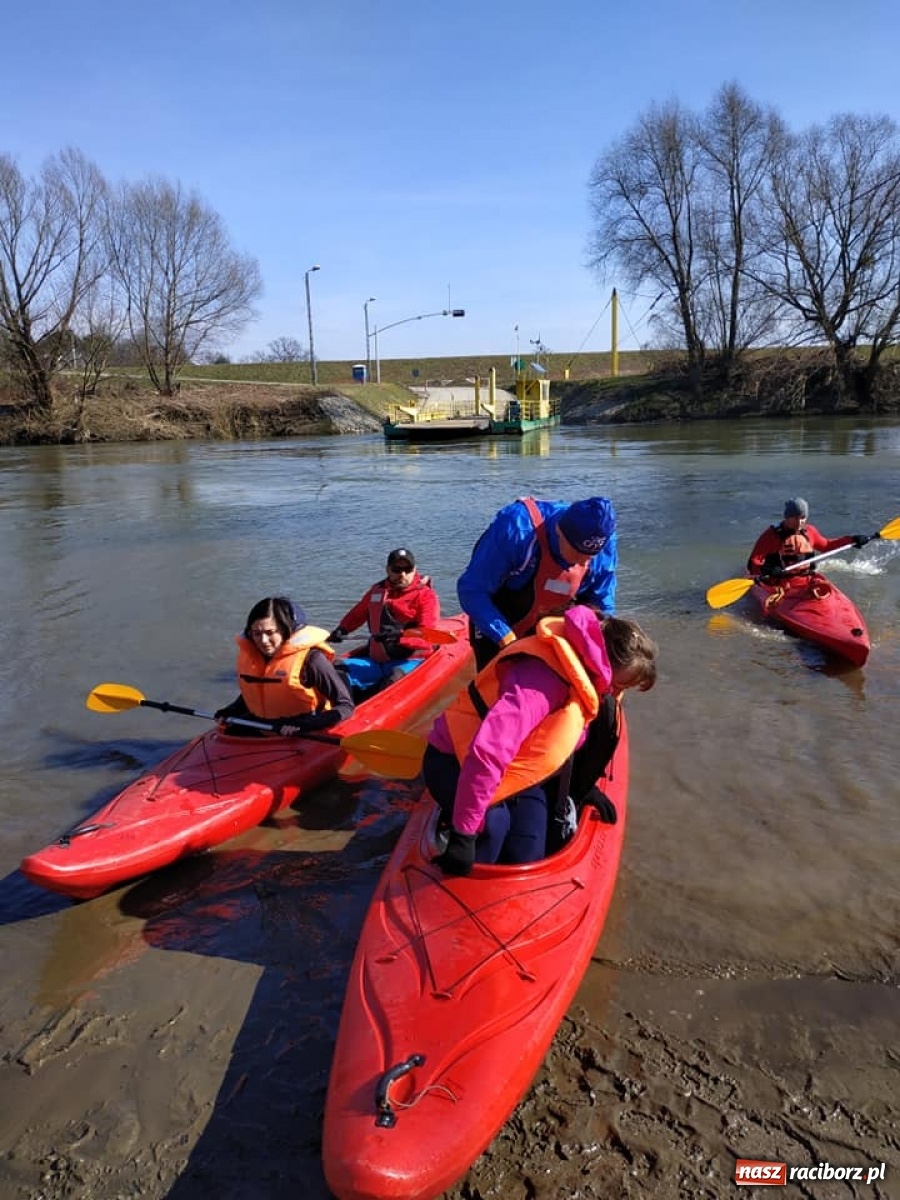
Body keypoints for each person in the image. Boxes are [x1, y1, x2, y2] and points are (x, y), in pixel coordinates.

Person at [423, 605, 658, 877]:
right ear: (605, 662)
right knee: (493, 828)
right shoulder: (541, 681)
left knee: (528, 850)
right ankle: (457, 875)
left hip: (513, 774)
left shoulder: (586, 676)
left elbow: (560, 740)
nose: (615, 693)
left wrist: (583, 787)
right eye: (620, 684)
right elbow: (488, 751)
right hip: (456, 760)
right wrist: (463, 835)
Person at [457, 495, 618, 671]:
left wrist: (604, 646)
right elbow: (471, 590)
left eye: (590, 556)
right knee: (495, 676)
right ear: (559, 532)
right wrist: (507, 640)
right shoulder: (516, 528)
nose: (582, 562)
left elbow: (601, 602)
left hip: (553, 617)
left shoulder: (603, 542)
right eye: (576, 553)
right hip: (500, 613)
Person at [215, 596, 354, 735]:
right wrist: (231, 710)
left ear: (285, 630)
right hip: (261, 725)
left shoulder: (313, 659)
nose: (263, 641)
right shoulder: (252, 657)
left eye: (270, 633)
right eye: (256, 634)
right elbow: (257, 691)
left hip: (300, 730)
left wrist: (307, 724)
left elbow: (345, 706)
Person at [328, 548, 440, 693]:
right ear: (388, 570)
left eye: (407, 569)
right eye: (396, 569)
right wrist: (342, 629)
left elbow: (428, 636)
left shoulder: (426, 596)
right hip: (376, 659)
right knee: (337, 669)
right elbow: (358, 614)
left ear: (414, 570)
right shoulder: (377, 591)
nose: (402, 574)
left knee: (394, 679)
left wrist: (399, 637)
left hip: (411, 659)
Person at [747, 498, 870, 580]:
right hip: (778, 580)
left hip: (806, 578)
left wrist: (852, 540)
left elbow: (827, 546)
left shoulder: (810, 531)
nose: (799, 522)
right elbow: (752, 563)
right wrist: (768, 570)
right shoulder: (771, 535)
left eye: (802, 517)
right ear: (787, 517)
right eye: (795, 518)